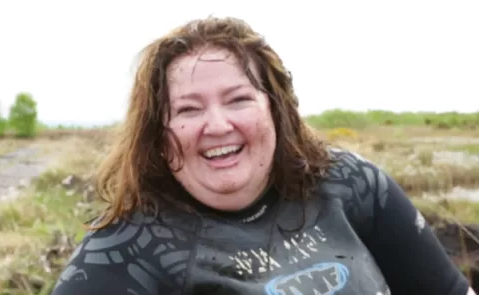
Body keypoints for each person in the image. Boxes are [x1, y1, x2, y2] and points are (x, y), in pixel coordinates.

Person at [50, 16, 474, 295]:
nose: (216, 125)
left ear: (276, 110)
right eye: (188, 109)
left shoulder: (352, 185)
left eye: (237, 99)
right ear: (158, 137)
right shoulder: (125, 248)